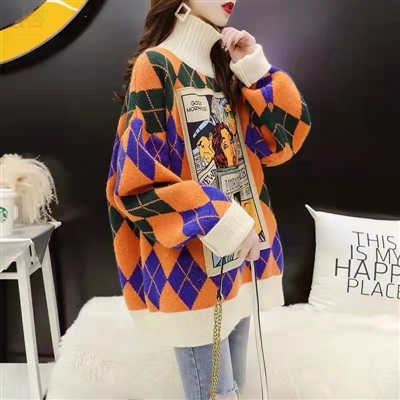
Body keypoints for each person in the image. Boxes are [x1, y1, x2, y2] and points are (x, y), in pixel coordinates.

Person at [106, 0, 311, 399]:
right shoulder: (157, 66)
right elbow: (135, 184)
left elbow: (283, 140)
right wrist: (222, 220)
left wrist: (254, 69)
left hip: (241, 257)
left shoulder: (225, 69)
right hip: (190, 266)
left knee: (238, 388)